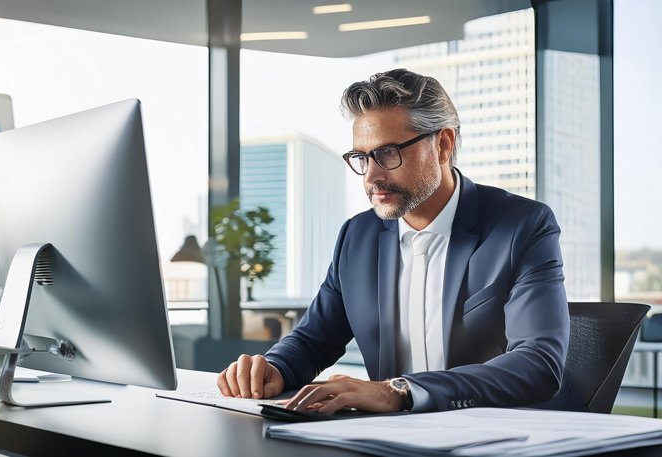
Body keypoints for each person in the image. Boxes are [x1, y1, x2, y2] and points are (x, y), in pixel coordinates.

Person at [217, 68, 581, 414]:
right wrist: (272, 369)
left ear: (443, 145)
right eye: (361, 157)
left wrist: (399, 391)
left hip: (501, 439)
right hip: (390, 441)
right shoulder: (357, 237)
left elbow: (538, 363)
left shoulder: (522, 226)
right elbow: (313, 341)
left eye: (388, 153)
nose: (372, 176)